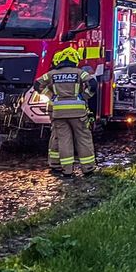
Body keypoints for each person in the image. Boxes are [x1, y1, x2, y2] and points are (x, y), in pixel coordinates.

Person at [33, 47, 97, 176]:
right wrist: (84, 96)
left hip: (58, 113)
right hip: (77, 113)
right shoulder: (79, 73)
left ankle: (67, 171)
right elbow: (93, 84)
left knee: (64, 140)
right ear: (75, 60)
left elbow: (37, 84)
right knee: (83, 138)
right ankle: (88, 169)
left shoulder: (52, 74)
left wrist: (51, 96)